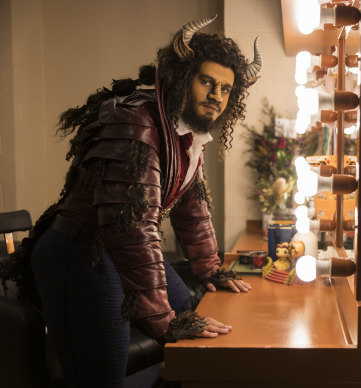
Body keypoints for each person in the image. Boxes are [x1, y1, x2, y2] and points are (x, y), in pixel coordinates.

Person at [1, 15, 259, 386]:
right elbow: (133, 229)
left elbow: (191, 206)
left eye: (226, 88)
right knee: (104, 374)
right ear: (182, 77)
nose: (217, 96)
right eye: (207, 82)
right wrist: (165, 323)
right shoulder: (138, 122)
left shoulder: (186, 132)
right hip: (80, 252)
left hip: (113, 245)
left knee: (191, 312)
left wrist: (210, 269)